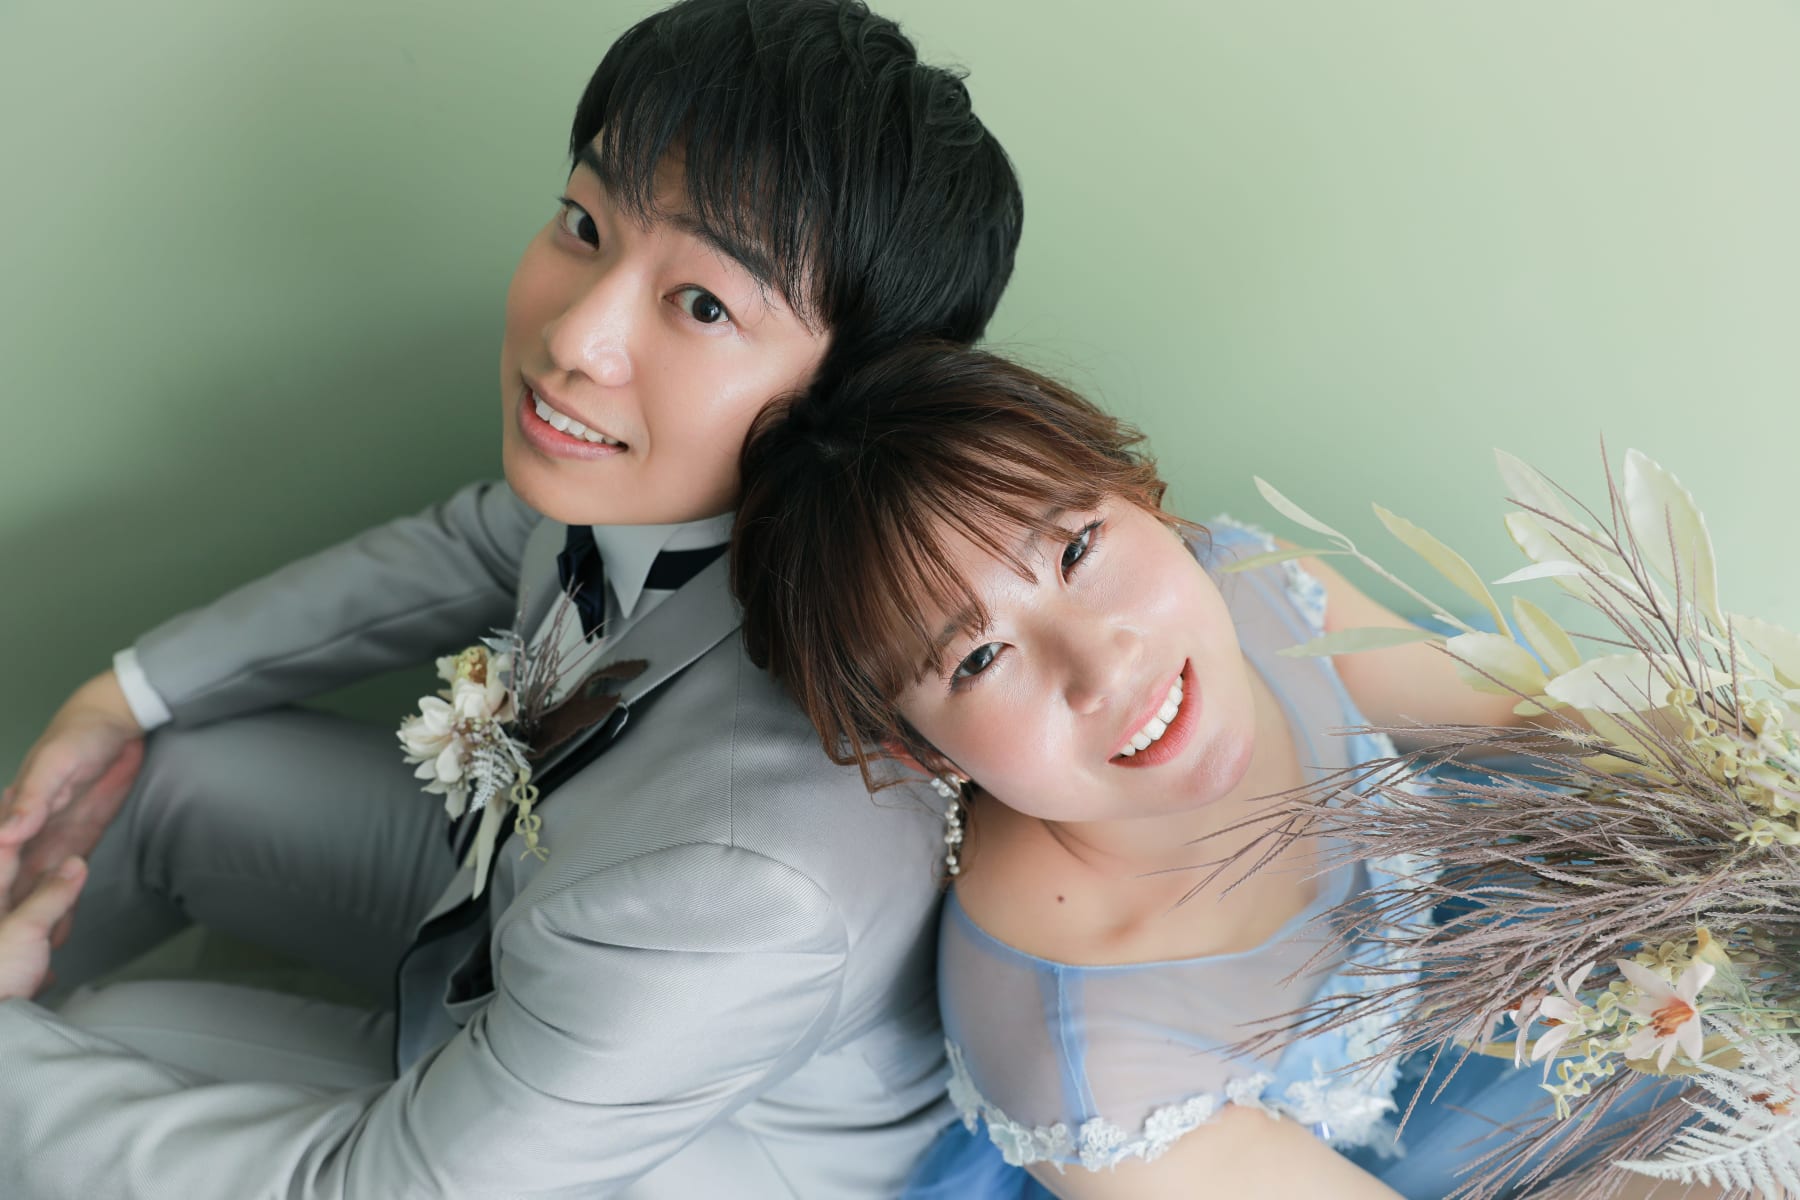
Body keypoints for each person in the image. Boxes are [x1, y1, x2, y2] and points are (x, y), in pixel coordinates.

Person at [0, 3, 1022, 1196]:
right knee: (144, 779)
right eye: (585, 224)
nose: (574, 335)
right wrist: (120, 696)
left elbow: (384, 1190)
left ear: (862, 393)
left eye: (704, 304)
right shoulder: (665, 491)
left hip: (621, 1155)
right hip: (522, 912)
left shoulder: (758, 875)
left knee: (104, 1038)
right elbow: (480, 541)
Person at [729, 343, 1717, 1200]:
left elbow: (1534, 718)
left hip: (1563, 963)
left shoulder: (1252, 589)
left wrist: (1754, 767)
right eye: (979, 658)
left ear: (1143, 494)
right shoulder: (1087, 1065)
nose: (1103, 665)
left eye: (1077, 549)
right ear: (918, 750)